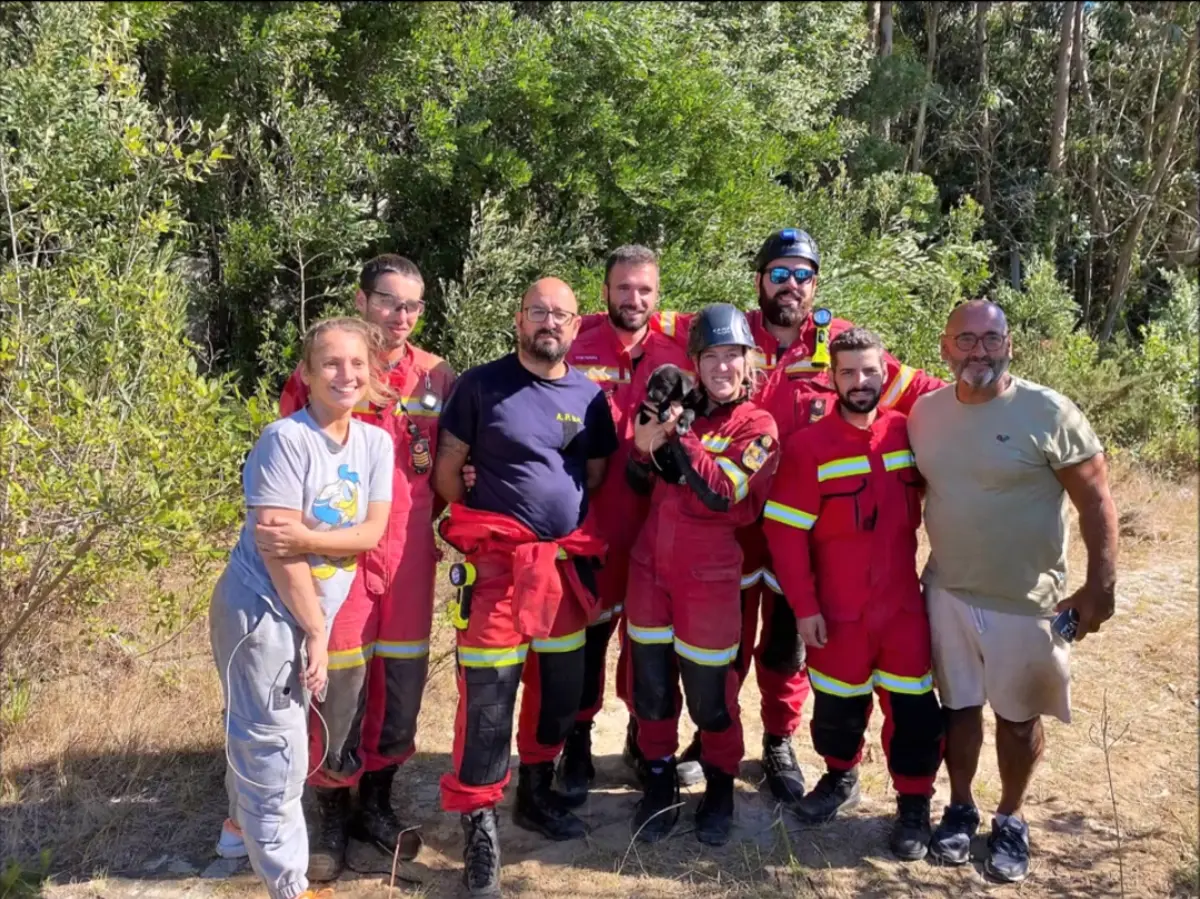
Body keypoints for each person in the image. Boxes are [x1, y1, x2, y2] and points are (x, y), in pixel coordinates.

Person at [584, 228, 943, 809]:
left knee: (786, 649)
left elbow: (916, 387)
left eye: (803, 275)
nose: (791, 285)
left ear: (816, 283)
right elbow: (633, 315)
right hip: (724, 533)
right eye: (779, 273)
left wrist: (985, 409)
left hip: (806, 533)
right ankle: (696, 738)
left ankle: (778, 740)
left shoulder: (838, 343)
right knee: (720, 653)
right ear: (760, 279)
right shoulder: (725, 327)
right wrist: (559, 334)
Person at [247, 255, 456, 880]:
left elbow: (453, 454)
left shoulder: (437, 375)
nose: (401, 316)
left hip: (410, 548)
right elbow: (292, 460)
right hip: (337, 553)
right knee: (338, 683)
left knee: (400, 680)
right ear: (363, 301)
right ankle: (331, 805)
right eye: (390, 302)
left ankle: (378, 802)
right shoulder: (329, 370)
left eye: (413, 306)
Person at [908, 300, 1119, 883]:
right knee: (957, 709)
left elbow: (1097, 499)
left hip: (1028, 603)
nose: (979, 350)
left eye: (991, 338)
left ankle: (1010, 817)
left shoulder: (1048, 411)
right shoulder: (924, 414)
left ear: (1009, 345)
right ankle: (958, 808)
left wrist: (1099, 587)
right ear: (946, 347)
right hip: (946, 590)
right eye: (966, 339)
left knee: (1019, 717)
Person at [433, 277, 619, 898]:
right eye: (538, 311)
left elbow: (590, 475)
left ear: (575, 325)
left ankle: (535, 795)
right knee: (488, 704)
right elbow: (447, 472)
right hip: (496, 576)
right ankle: (479, 828)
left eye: (560, 314)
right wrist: (490, 517)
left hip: (562, 575)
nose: (549, 322)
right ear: (519, 320)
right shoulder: (480, 385)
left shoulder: (590, 398)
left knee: (558, 696)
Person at [209, 317, 395, 899]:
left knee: (260, 732)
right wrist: (316, 629)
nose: (347, 374)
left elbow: (371, 533)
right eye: (332, 363)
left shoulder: (375, 443)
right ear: (307, 374)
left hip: (307, 611)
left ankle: (238, 831)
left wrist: (309, 538)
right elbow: (275, 550)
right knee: (277, 749)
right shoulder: (284, 441)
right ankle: (290, 887)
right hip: (262, 612)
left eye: (357, 363)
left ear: (372, 374)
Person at [763, 327, 943, 861]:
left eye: (869, 371)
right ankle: (840, 778)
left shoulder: (909, 433)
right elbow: (785, 534)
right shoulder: (808, 448)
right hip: (836, 610)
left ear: (885, 372)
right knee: (839, 707)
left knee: (913, 711)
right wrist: (805, 607)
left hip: (902, 605)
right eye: (848, 372)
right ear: (832, 377)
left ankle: (914, 804)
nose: (860, 381)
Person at [624, 304, 781, 847]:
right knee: (650, 689)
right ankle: (660, 777)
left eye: (732, 356)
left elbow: (721, 493)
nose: (721, 367)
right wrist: (650, 424)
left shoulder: (758, 426)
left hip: (709, 577)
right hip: (649, 568)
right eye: (710, 356)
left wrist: (681, 434)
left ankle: (719, 783)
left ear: (748, 361)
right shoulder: (681, 408)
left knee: (711, 696)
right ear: (695, 361)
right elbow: (637, 475)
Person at [556, 245, 699, 804]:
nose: (633, 298)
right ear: (605, 291)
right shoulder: (577, 343)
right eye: (623, 288)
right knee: (586, 640)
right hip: (589, 521)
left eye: (644, 290)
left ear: (658, 296)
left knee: (651, 644)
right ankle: (577, 742)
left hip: (659, 525)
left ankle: (646, 739)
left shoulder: (680, 351)